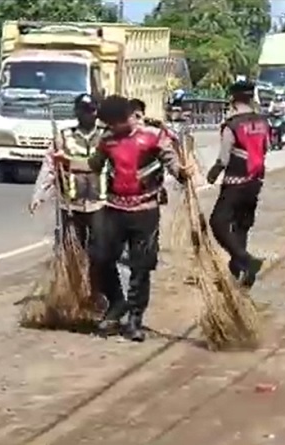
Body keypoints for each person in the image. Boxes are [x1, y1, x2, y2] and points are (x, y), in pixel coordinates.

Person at [55, 95, 190, 342]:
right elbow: (93, 165)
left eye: (118, 123)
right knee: (100, 257)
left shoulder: (153, 136)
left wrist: (182, 172)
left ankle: (135, 320)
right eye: (110, 125)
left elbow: (172, 162)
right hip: (114, 209)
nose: (115, 129)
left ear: (128, 117)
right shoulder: (107, 141)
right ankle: (117, 303)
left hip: (145, 211)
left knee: (141, 267)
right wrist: (69, 162)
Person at [30, 93, 124, 309]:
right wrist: (39, 194)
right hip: (70, 204)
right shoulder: (64, 136)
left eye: (91, 110)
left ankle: (96, 293)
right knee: (71, 252)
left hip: (101, 204)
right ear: (76, 112)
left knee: (99, 253)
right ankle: (74, 294)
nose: (88, 115)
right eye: (83, 111)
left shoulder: (107, 136)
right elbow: (49, 167)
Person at [206, 79, 266, 288]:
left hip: (235, 182)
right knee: (242, 226)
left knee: (218, 222)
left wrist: (212, 174)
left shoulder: (231, 125)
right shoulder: (262, 122)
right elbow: (265, 148)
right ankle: (241, 271)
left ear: (232, 99)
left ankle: (247, 261)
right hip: (256, 181)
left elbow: (223, 158)